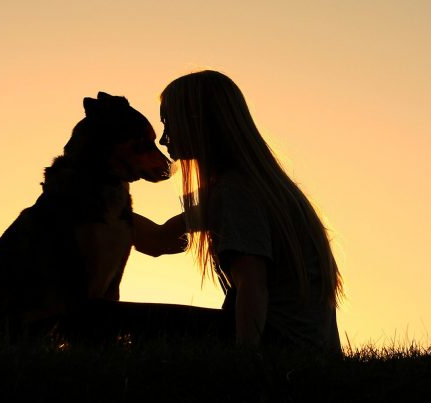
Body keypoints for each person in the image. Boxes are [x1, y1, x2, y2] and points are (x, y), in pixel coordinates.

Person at [133, 70, 343, 353]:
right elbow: (158, 240)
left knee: (117, 321)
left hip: (282, 349)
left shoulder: (235, 192)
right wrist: (93, 200)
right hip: (303, 348)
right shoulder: (249, 185)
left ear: (200, 122)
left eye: (170, 123)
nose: (164, 139)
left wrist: (243, 362)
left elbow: (252, 285)